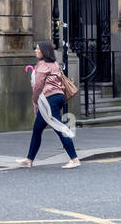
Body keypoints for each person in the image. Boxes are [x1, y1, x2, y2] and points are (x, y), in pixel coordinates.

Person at [17, 41, 81, 169]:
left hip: (49, 99)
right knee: (37, 129)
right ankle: (29, 159)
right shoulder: (55, 64)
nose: (35, 50)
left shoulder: (42, 65)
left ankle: (74, 159)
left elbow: (39, 85)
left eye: (38, 49)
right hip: (58, 97)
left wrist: (34, 99)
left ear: (44, 51)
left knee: (58, 128)